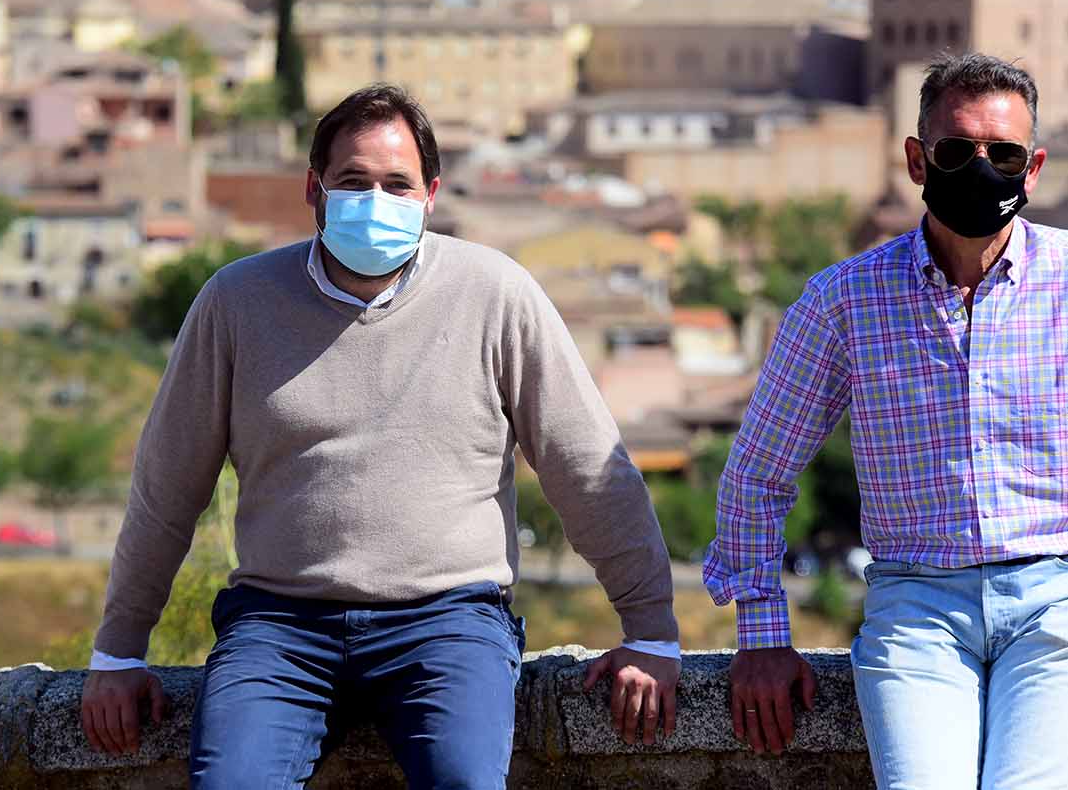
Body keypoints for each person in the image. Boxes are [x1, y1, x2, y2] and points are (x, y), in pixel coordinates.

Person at [79, 84, 681, 787]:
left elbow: (586, 469)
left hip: (448, 621)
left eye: (396, 184)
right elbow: (166, 489)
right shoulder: (236, 303)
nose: (375, 201)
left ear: (429, 194)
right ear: (314, 189)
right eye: (353, 181)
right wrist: (118, 654)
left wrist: (648, 632)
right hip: (280, 625)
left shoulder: (496, 294)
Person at [704, 52, 1067, 788]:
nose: (979, 168)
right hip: (917, 608)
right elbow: (757, 472)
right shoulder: (844, 300)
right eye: (956, 150)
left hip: (1055, 602)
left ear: (1030, 171)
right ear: (915, 160)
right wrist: (763, 635)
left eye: (1001, 154)